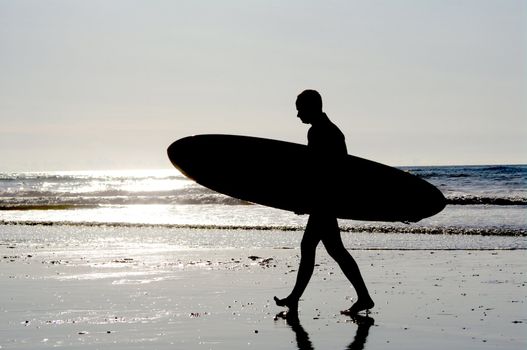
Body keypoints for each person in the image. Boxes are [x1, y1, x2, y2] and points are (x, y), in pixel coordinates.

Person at [274, 90, 374, 316]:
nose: (297, 114)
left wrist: (306, 201)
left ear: (312, 107)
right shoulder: (329, 130)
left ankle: (294, 299)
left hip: (325, 200)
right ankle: (364, 297)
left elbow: (319, 172)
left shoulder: (320, 132)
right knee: (334, 250)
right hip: (328, 199)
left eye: (300, 109)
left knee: (311, 247)